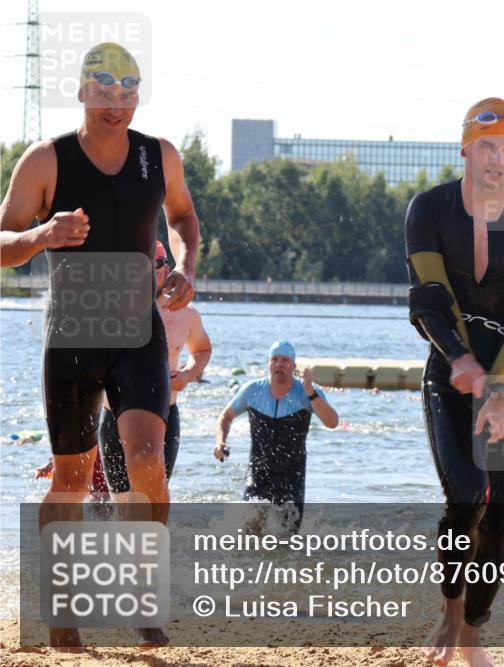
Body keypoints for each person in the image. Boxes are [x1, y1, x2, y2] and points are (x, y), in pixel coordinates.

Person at [0, 42, 199, 650]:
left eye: (128, 94)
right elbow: (3, 244)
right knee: (69, 481)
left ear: (138, 98)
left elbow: (184, 218)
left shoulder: (158, 156)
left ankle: (141, 596)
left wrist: (187, 264)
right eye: (105, 92)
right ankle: (62, 612)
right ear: (83, 92)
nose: (116, 105)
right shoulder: (45, 161)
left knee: (147, 466)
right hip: (72, 340)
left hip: (137, 336)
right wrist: (43, 233)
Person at [405, 97, 504, 667]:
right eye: (488, 148)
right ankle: (449, 608)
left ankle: (473, 630)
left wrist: (499, 385)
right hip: (450, 373)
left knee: (501, 516)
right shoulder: (429, 209)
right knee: (467, 497)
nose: (499, 160)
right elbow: (430, 298)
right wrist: (462, 363)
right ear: (465, 149)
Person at [99, 240, 212, 492]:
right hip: (115, 415)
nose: (149, 271)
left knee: (153, 497)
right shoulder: (112, 309)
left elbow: (203, 350)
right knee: (121, 502)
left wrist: (187, 375)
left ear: (167, 268)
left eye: (157, 264)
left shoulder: (186, 314)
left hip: (165, 414)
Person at [214, 340, 338, 534]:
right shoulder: (252, 390)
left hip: (293, 475)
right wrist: (220, 441)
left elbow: (332, 422)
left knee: (287, 538)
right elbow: (226, 416)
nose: (279, 364)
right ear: (268, 364)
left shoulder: (308, 393)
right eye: (275, 359)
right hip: (258, 472)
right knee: (250, 527)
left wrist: (310, 392)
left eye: (285, 360)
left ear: (294, 366)